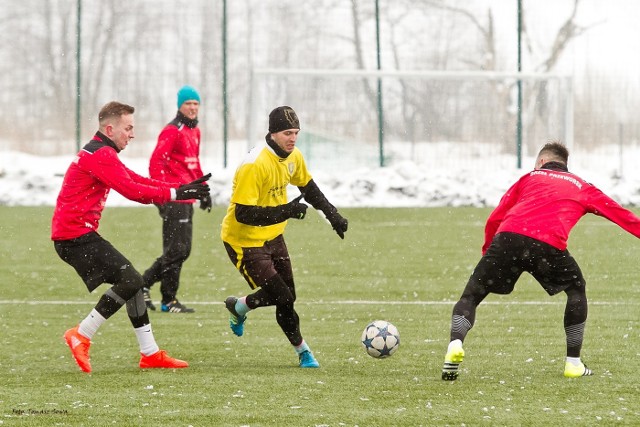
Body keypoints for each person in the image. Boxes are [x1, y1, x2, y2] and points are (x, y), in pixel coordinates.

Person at [441, 141, 640, 381]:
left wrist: (488, 252)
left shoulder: (530, 178)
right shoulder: (582, 186)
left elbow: (497, 216)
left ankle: (455, 344)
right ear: (564, 164)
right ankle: (573, 363)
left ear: (542, 162)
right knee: (576, 289)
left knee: (471, 296)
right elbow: (621, 215)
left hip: (508, 238)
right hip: (548, 245)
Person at [52, 101, 211, 373]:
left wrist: (179, 187)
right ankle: (81, 333)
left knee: (134, 283)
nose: (132, 134)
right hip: (74, 238)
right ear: (110, 128)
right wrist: (175, 194)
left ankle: (149, 353)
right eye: (128, 128)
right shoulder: (100, 154)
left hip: (78, 235)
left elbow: (136, 179)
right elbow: (131, 190)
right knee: (131, 280)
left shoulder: (101, 151)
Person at [220, 106, 349, 368]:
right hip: (244, 240)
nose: (293, 138)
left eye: (296, 133)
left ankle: (240, 307)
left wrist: (332, 214)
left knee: (288, 295)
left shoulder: (293, 156)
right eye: (287, 133)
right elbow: (244, 214)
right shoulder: (255, 164)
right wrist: (287, 211)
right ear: (273, 133)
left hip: (273, 237)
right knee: (283, 297)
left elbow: (309, 188)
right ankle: (303, 351)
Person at [142, 85, 210, 314]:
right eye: (188, 104)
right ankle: (158, 295)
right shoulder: (172, 130)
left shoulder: (195, 131)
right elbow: (155, 163)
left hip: (187, 199)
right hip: (173, 198)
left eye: (195, 104)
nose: (192, 108)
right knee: (176, 250)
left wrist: (203, 189)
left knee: (182, 250)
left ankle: (159, 295)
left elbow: (193, 163)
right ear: (179, 106)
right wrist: (161, 195)